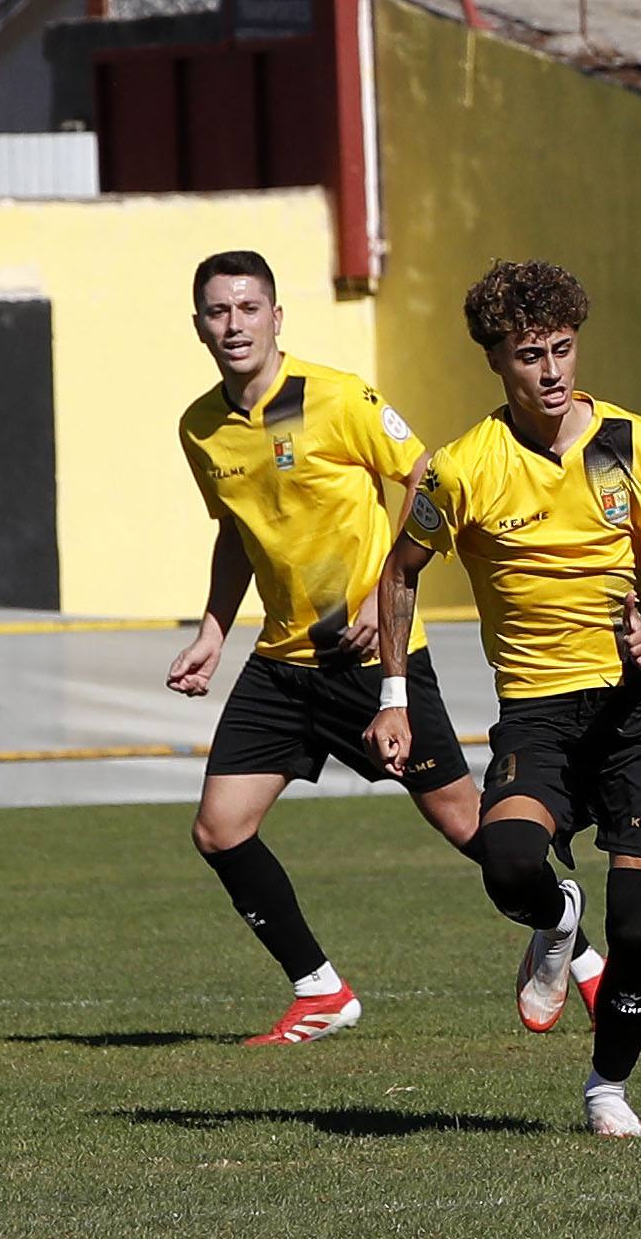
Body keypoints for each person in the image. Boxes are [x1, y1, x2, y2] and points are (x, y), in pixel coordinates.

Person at [363, 259, 641, 1138]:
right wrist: (395, 694)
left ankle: (607, 1091)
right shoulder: (460, 470)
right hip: (540, 713)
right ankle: (557, 919)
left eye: (561, 349)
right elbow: (398, 574)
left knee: (638, 919)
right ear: (496, 362)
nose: (551, 372)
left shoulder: (634, 442)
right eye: (529, 355)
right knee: (509, 861)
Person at [171, 250, 488, 1045]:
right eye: (218, 310)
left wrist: (389, 596)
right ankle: (320, 990)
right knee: (220, 829)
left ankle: (575, 949)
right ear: (200, 325)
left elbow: (427, 479)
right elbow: (236, 535)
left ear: (277, 317)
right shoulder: (202, 427)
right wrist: (212, 630)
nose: (234, 323)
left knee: (465, 826)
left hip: (371, 659)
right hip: (282, 664)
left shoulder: (335, 396)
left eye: (249, 307)